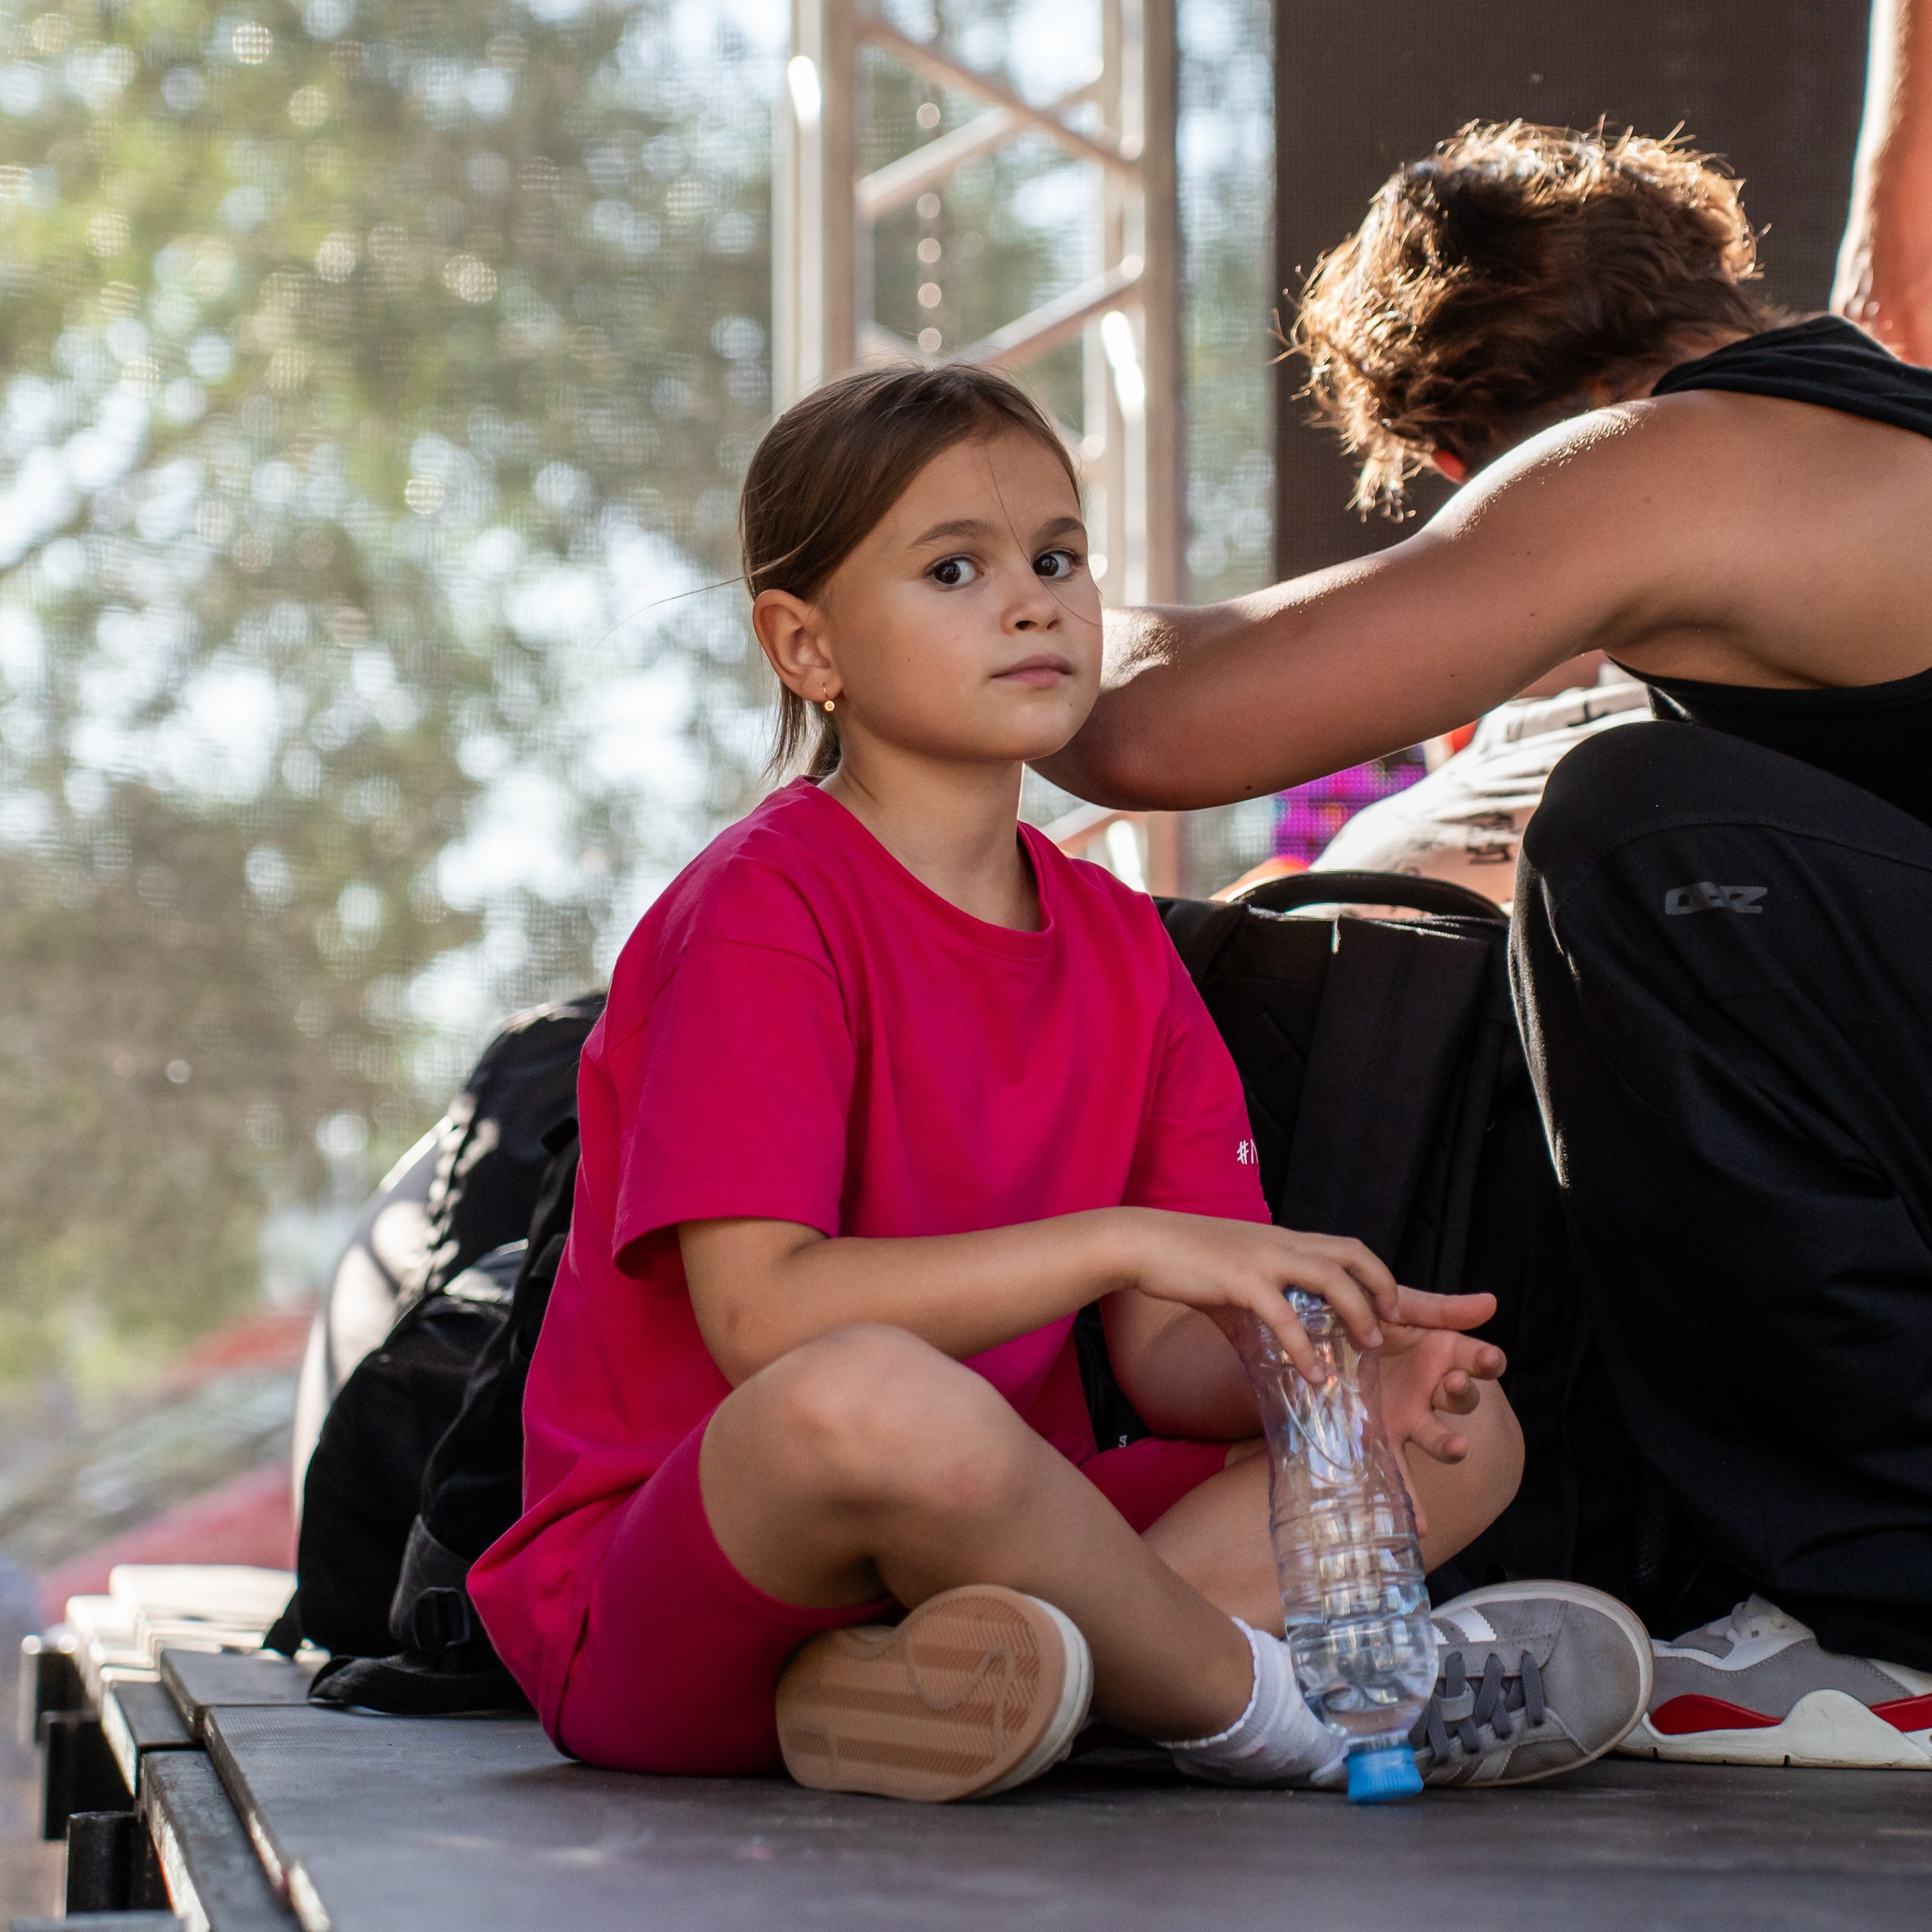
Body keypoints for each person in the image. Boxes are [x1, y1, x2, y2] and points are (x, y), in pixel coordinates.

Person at [467, 361, 1651, 1802]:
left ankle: (955, 1688)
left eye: (1058, 557)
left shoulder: (1121, 944)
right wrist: (1123, 1238)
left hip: (987, 1563)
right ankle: (1287, 1717)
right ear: (806, 647)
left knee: (1458, 1440)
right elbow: (765, 1320)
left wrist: (1317, 1361)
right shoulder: (760, 911)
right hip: (679, 1580)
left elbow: (1163, 1357)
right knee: (871, 1399)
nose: (1034, 602)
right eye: (955, 569)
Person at [1044, 118, 1932, 1769]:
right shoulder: (1865, 419)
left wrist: (986, 595)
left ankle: (1897, 1614)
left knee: (1639, 827)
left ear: (1460, 449)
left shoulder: (1660, 460)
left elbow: (1152, 733)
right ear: (1702, 270)